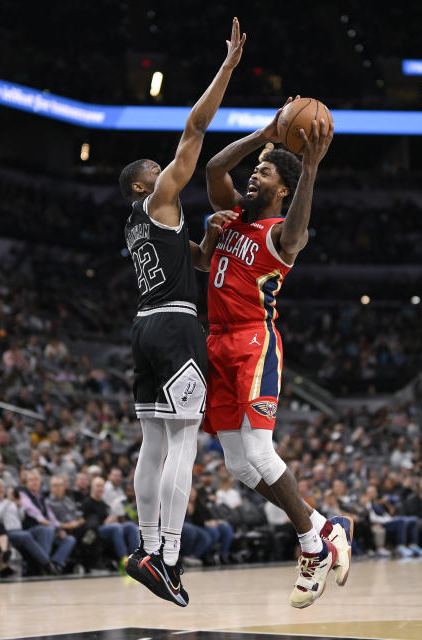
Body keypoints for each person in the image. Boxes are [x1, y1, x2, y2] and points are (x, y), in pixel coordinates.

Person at [118, 17, 245, 607]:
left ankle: (146, 548)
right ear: (147, 185)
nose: (167, 171)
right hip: (174, 324)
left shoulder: (140, 225)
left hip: (145, 325)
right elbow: (194, 129)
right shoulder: (162, 194)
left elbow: (194, 259)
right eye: (158, 171)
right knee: (184, 442)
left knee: (152, 442)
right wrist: (226, 70)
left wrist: (213, 237)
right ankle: (169, 557)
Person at [204, 100, 350, 607]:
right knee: (240, 468)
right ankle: (325, 526)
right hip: (216, 342)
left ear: (282, 189)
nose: (253, 175)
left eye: (264, 171)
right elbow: (214, 167)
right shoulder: (233, 219)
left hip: (252, 341)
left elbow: (296, 232)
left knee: (261, 452)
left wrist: (308, 169)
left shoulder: (282, 234)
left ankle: (312, 545)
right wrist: (263, 133)